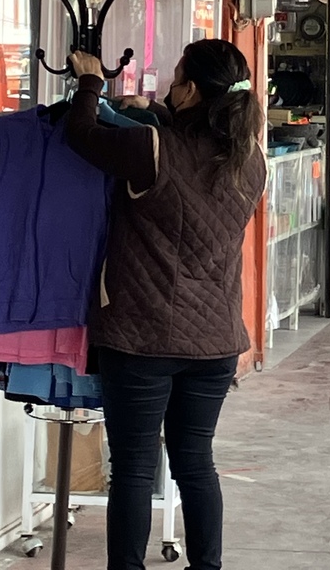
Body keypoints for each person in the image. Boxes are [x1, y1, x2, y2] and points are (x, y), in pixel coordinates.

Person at [65, 40, 267, 570]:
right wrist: (153, 111)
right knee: (196, 463)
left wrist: (90, 82)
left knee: (133, 469)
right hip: (215, 342)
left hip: (142, 338)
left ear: (192, 90)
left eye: (175, 81)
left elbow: (80, 135)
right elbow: (193, 153)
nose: (169, 89)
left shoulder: (149, 149)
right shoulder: (251, 160)